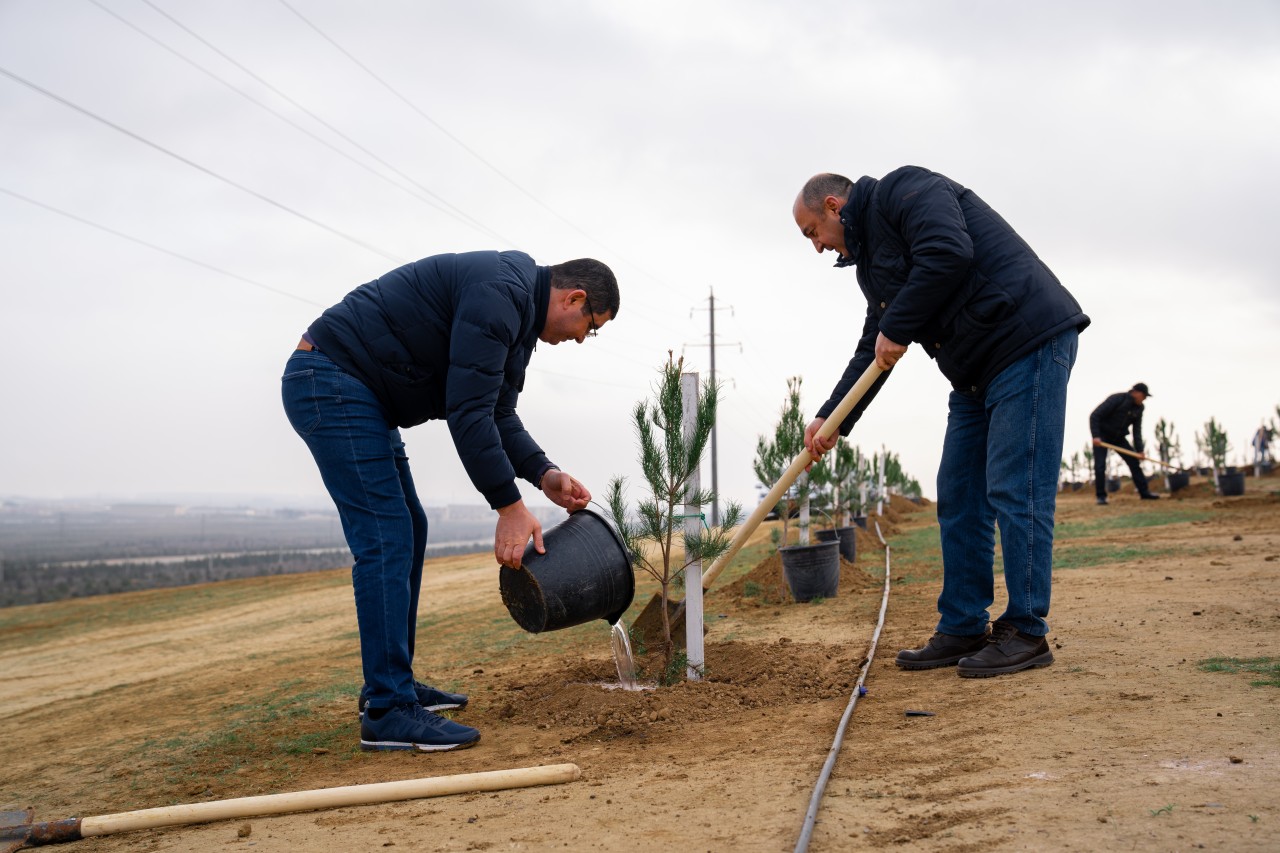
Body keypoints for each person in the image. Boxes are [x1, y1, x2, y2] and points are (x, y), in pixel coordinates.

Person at [282, 251, 618, 751]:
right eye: (589, 327)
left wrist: (542, 473)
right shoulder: (499, 296)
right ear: (575, 298)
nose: (580, 339)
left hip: (358, 393)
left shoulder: (518, 319)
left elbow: (496, 412)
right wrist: (508, 507)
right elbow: (467, 414)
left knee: (407, 528)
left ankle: (394, 685)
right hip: (331, 380)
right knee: (385, 536)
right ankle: (388, 709)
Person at [792, 166, 1089, 677]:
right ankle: (963, 625)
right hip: (974, 372)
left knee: (1015, 489)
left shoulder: (908, 190)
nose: (816, 247)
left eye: (812, 232)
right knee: (958, 495)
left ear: (834, 207)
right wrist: (833, 416)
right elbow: (876, 344)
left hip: (1026, 341)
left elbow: (950, 252)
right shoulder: (872, 267)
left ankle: (1026, 631)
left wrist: (899, 324)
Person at [1089, 383, 1158, 504]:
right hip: (1102, 436)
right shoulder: (1117, 399)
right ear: (1135, 392)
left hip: (1119, 438)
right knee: (1100, 466)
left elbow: (1137, 431)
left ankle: (1144, 492)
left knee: (1134, 461)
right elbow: (1095, 416)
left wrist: (1140, 450)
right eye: (1144, 396)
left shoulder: (1139, 408)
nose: (1145, 399)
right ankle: (1101, 496)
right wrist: (1096, 436)